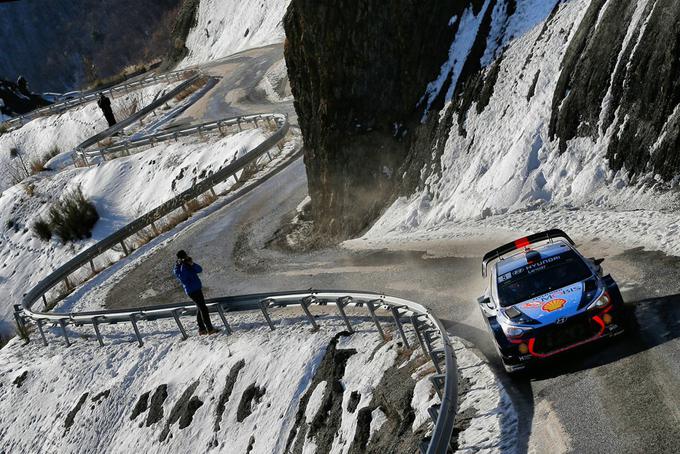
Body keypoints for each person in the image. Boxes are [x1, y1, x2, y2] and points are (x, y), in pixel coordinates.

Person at [173, 250, 218, 335]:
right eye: (184, 257)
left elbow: (199, 269)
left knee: (200, 308)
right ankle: (210, 329)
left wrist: (192, 264)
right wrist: (182, 265)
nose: (186, 257)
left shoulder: (188, 264)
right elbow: (184, 278)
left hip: (197, 288)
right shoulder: (178, 268)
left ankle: (202, 329)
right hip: (191, 291)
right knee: (203, 308)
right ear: (179, 258)